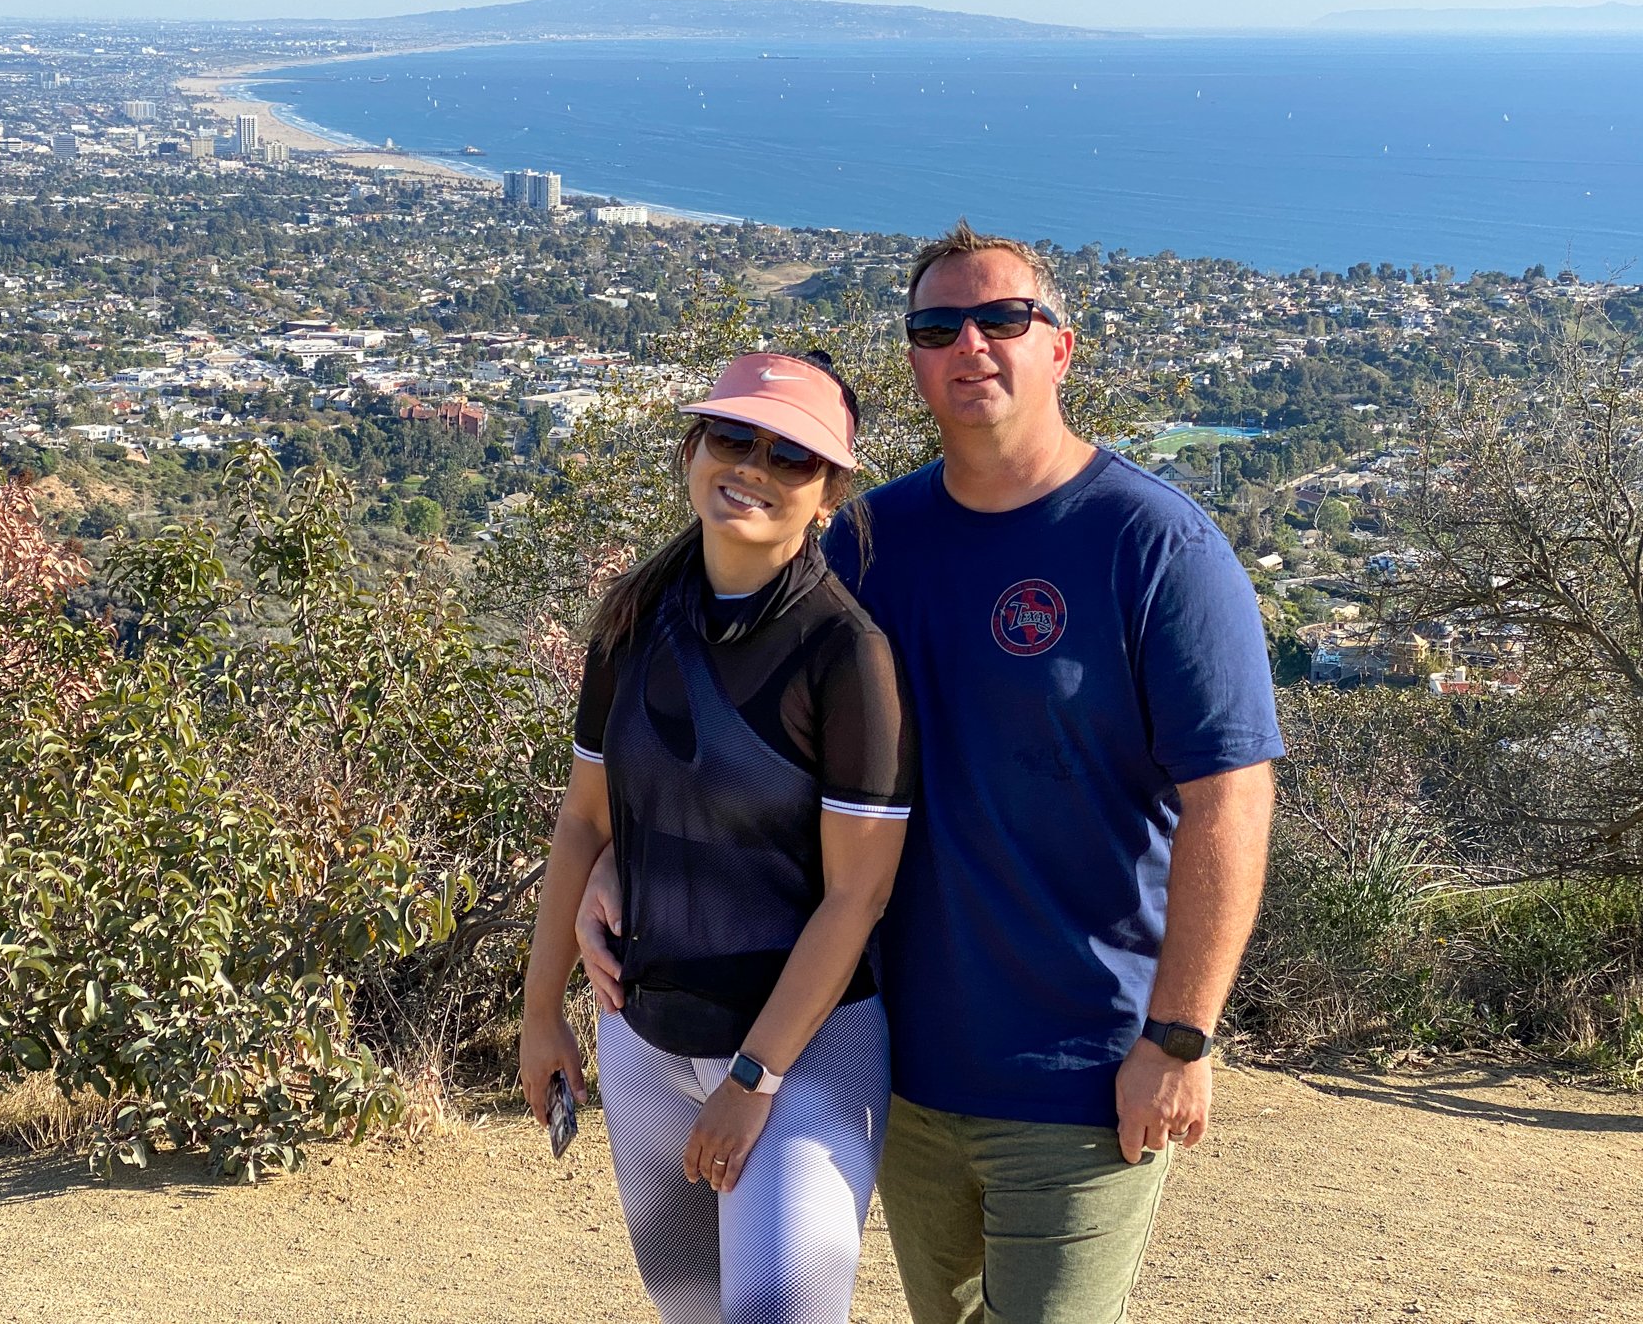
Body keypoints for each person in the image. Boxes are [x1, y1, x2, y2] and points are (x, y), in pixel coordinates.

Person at [580, 224, 1282, 1324]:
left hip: (1081, 1075)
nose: (971, 343)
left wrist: (1177, 1037)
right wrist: (617, 863)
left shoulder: (1153, 548)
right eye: (935, 325)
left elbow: (1229, 801)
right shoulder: (861, 539)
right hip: (895, 1062)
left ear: (1060, 347)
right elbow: (726, 726)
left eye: (1003, 318)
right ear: (911, 360)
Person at [518, 351, 915, 1324]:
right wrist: (540, 1016)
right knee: (692, 1314)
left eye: (791, 457)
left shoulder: (845, 654)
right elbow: (583, 822)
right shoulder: (632, 620)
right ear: (691, 450)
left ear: (827, 495)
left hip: (803, 1057)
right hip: (643, 1039)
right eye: (732, 438)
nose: (752, 466)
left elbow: (855, 896)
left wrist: (753, 1076)